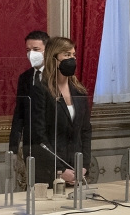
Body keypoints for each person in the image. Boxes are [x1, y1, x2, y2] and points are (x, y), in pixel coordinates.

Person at [29, 37, 91, 185]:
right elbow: (39, 135)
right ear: (54, 58)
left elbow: (85, 131)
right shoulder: (40, 90)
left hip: (76, 170)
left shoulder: (79, 91)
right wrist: (60, 170)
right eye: (67, 55)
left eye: (73, 55)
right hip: (49, 172)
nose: (72, 59)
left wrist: (84, 166)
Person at [9, 30, 51, 180]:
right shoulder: (25, 78)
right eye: (28, 50)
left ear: (47, 50)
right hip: (31, 147)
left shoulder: (57, 76)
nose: (31, 54)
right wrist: (13, 149)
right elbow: (19, 114)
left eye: (36, 49)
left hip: (53, 146)